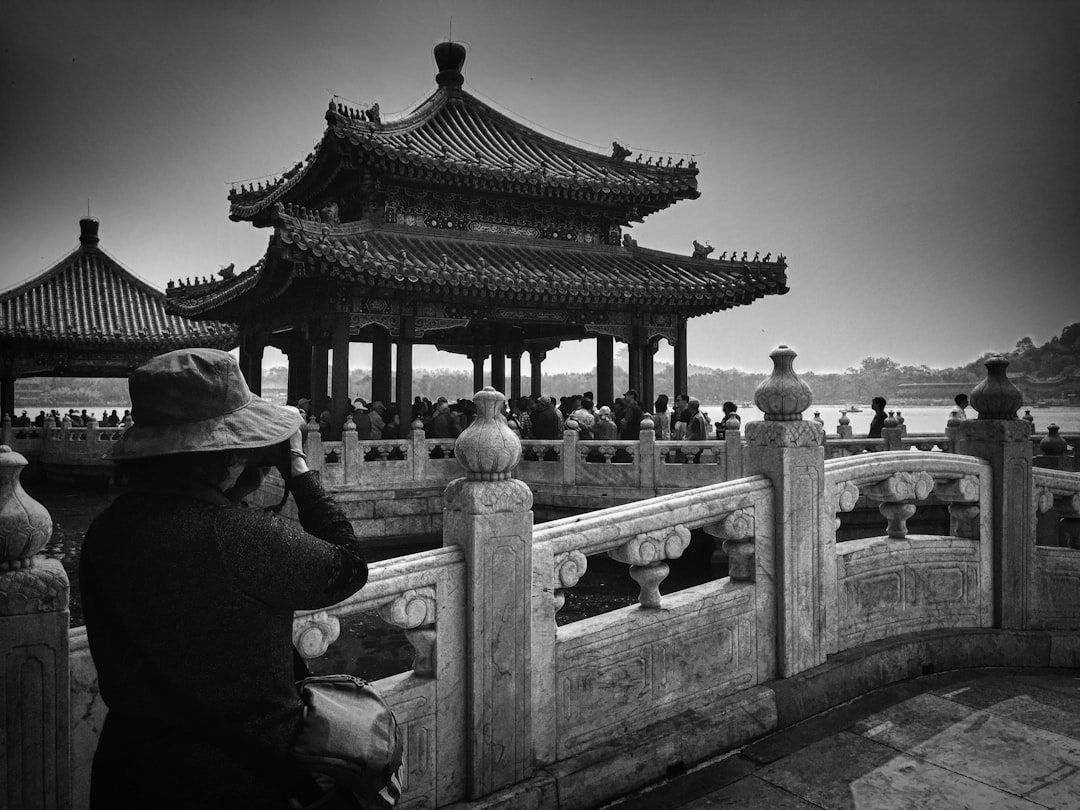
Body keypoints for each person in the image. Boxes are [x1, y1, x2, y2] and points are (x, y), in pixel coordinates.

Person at [79, 348, 368, 810]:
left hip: (129, 771)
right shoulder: (237, 536)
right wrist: (298, 473)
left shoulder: (106, 530)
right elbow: (350, 567)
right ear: (229, 451)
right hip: (236, 780)